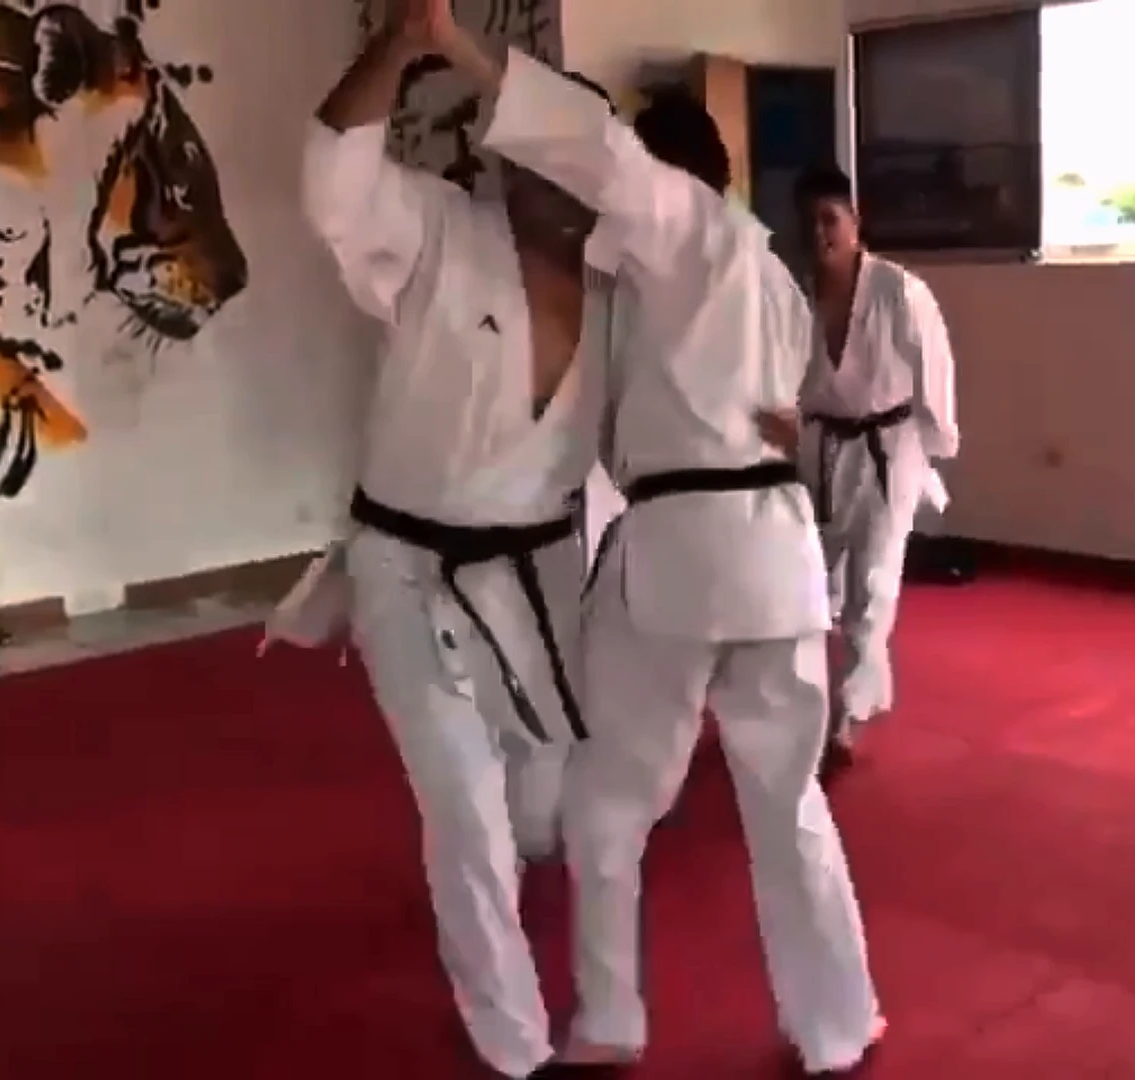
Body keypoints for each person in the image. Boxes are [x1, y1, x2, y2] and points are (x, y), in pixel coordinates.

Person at [415, 6, 885, 1076]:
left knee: (607, 806)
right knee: (789, 803)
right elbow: (779, 410)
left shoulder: (680, 222)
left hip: (686, 552)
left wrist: (454, 45)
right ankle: (837, 1024)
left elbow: (596, 154)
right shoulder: (768, 273)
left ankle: (612, 1019)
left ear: (665, 169)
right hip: (777, 558)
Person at [282, 3, 622, 1075]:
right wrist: (402, 43)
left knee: (541, 786)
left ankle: (504, 882)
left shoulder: (621, 292)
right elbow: (331, 183)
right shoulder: (436, 229)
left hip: (545, 570)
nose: (558, 179)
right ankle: (513, 1043)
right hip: (411, 568)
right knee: (466, 810)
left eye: (578, 159)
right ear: (502, 158)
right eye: (536, 154)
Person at [791, 165, 960, 775]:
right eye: (808, 222)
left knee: (874, 583)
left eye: (829, 219)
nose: (819, 233)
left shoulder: (899, 291)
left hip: (891, 447)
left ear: (854, 222)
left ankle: (849, 713)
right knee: (811, 585)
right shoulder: (795, 296)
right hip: (821, 448)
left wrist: (933, 449)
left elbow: (934, 371)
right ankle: (811, 700)